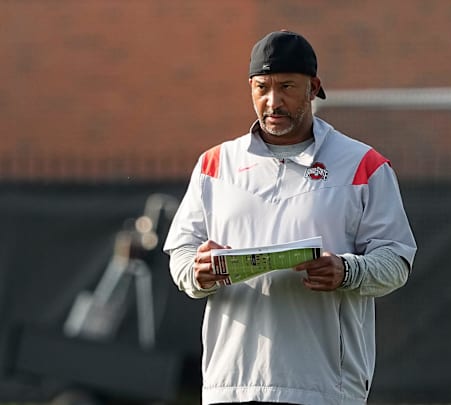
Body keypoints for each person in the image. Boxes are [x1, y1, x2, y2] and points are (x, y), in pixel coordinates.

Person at [163, 30, 417, 405]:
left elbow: (397, 261)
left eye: (286, 87)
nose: (272, 101)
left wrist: (347, 271)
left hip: (325, 388)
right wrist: (196, 273)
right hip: (230, 385)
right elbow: (181, 254)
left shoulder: (363, 164)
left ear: (313, 88)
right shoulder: (215, 164)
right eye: (261, 87)